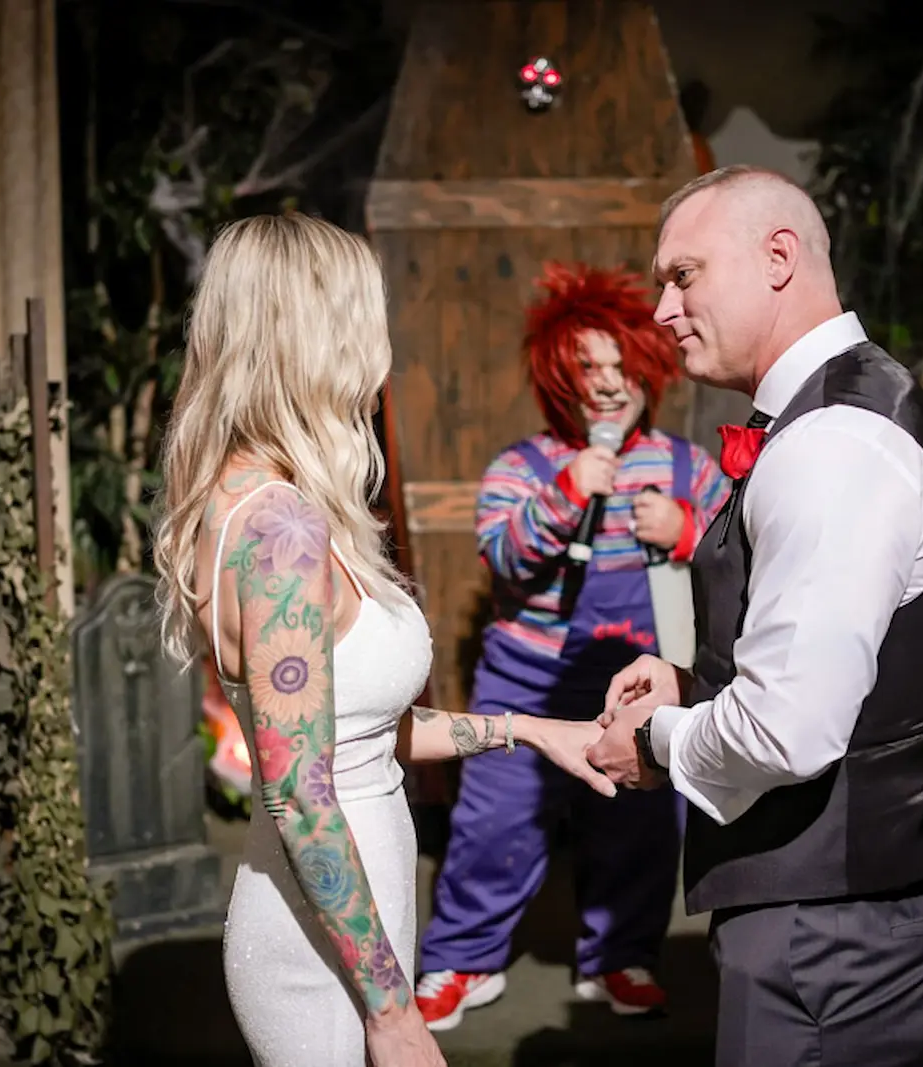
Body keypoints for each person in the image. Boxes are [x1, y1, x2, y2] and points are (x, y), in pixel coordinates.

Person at [153, 213, 617, 1067]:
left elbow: (352, 734)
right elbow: (302, 792)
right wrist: (394, 1009)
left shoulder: (273, 501)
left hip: (347, 917)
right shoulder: (280, 532)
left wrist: (532, 730)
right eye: (367, 321)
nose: (382, 351)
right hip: (321, 943)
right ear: (316, 337)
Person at [587, 165, 923, 1066]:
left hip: (834, 933)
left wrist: (657, 738)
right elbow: (848, 668)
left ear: (778, 258)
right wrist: (697, 682)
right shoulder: (837, 416)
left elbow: (787, 731)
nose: (661, 308)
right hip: (845, 917)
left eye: (682, 274)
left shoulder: (834, 444)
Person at [413, 263, 730, 1030]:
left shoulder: (688, 466)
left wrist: (685, 531)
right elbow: (508, 559)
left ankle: (621, 955)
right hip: (524, 680)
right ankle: (462, 959)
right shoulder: (520, 468)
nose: (609, 384)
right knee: (495, 824)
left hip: (636, 685)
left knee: (640, 827)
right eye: (589, 367)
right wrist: (568, 492)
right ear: (559, 375)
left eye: (623, 365)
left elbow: (738, 557)